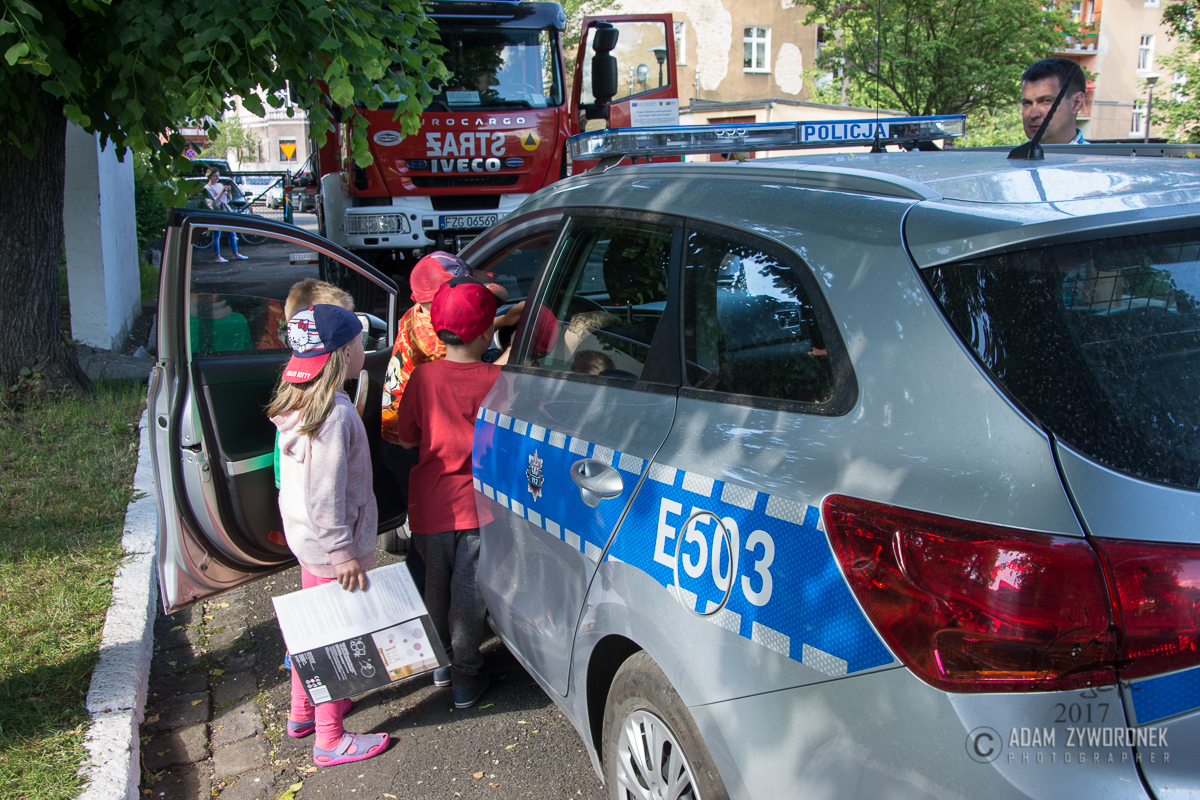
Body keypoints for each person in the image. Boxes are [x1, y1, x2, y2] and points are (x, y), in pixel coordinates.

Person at [267, 304, 389, 767]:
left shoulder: (300, 403)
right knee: (333, 641)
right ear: (344, 352)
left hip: (307, 542)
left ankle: (303, 712)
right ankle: (329, 737)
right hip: (331, 548)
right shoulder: (335, 415)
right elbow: (325, 494)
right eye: (360, 343)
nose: (364, 351)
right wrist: (343, 553)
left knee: (310, 631)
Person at [393, 277, 504, 709]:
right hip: (477, 508)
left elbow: (406, 438)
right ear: (487, 332)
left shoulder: (422, 378)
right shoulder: (498, 379)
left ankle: (440, 664)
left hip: (428, 505)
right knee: (468, 596)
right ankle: (466, 677)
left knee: (435, 590)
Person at [1020, 58, 1089, 145]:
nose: (1033, 114)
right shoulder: (1011, 153)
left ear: (1076, 103)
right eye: (1027, 103)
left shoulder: (1098, 154)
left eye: (1046, 101)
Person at [203, 168, 248, 263]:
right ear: (209, 176)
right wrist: (222, 191)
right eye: (215, 176)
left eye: (218, 176)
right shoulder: (207, 188)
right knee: (216, 235)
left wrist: (228, 192)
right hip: (216, 212)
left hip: (225, 211)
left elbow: (229, 199)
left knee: (231, 233)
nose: (217, 178)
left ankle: (235, 253)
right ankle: (217, 256)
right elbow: (214, 202)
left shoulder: (220, 185)